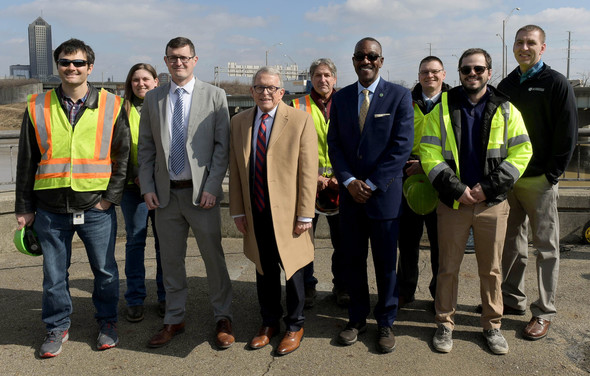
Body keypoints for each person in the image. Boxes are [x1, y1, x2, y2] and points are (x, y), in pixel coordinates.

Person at [15, 38, 130, 357]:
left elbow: (122, 157)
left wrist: (109, 199)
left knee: (105, 270)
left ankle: (107, 323)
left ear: (90, 68)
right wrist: (24, 207)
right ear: (58, 66)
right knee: (53, 275)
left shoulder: (112, 104)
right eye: (66, 62)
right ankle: (56, 327)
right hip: (50, 209)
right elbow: (27, 160)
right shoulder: (37, 105)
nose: (72, 68)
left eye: (79, 63)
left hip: (95, 207)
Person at [420, 48, 532, 355]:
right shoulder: (443, 105)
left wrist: (486, 187)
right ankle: (445, 324)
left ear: (489, 72)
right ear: (459, 73)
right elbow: (428, 152)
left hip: (492, 203)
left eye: (478, 69)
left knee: (492, 269)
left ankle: (492, 325)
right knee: (448, 267)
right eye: (466, 70)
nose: (472, 74)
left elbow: (522, 152)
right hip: (453, 202)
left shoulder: (506, 108)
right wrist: (456, 189)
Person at [138, 37, 234, 350]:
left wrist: (212, 187)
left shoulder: (215, 95)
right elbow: (147, 148)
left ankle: (223, 317)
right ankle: (174, 318)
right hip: (166, 197)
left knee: (213, 259)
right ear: (165, 62)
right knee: (171, 261)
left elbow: (222, 147)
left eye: (183, 57)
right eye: (172, 58)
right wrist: (147, 187)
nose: (178, 63)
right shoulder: (154, 98)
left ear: (194, 60)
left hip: (201, 195)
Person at [327, 37, 414, 354]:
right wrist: (349, 180)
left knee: (386, 264)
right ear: (353, 61)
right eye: (360, 56)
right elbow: (333, 144)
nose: (366, 61)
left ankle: (386, 322)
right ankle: (356, 319)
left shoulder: (400, 96)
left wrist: (373, 183)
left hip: (384, 198)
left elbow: (401, 147)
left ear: (381, 60)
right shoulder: (342, 98)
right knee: (353, 261)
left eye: (372, 56)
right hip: (351, 197)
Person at [229, 67, 318, 356]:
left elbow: (308, 169)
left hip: (290, 213)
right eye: (259, 87)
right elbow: (236, 170)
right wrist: (237, 211)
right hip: (256, 210)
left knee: (293, 271)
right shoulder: (240, 122)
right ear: (251, 91)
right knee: (263, 269)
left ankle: (295, 325)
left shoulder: (300, 120)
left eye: (271, 88)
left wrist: (306, 213)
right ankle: (269, 323)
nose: (265, 92)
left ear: (281, 92)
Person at [499, 25, 578, 340]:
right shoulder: (506, 84)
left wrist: (552, 174)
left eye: (530, 42)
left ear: (542, 48)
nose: (524, 47)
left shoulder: (556, 83)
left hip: (540, 180)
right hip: (510, 179)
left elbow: (568, 132)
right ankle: (510, 297)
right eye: (519, 42)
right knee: (510, 243)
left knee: (545, 247)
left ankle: (543, 312)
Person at [291, 58, 349, 308]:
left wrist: (342, 175)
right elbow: (288, 147)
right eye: (317, 75)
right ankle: (307, 286)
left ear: (334, 78)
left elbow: (356, 144)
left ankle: (343, 286)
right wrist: (311, 176)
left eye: (327, 75)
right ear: (310, 79)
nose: (322, 80)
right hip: (307, 185)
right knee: (304, 241)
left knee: (344, 241)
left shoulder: (348, 103)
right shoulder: (296, 105)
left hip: (341, 184)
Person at [397, 56, 451, 308]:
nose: (429, 76)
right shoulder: (405, 101)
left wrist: (429, 166)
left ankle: (438, 293)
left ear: (443, 74)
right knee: (407, 241)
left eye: (434, 72)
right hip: (409, 178)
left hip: (443, 179)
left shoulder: (456, 102)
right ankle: (405, 290)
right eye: (424, 72)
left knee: (440, 244)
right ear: (418, 75)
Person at [121, 63, 165, 322]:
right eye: (135, 80)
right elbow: (116, 147)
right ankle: (135, 298)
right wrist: (136, 175)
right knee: (135, 243)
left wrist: (149, 176)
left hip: (160, 186)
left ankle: (164, 296)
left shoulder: (164, 106)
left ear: (156, 81)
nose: (141, 84)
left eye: (146, 79)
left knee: (163, 245)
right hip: (131, 188)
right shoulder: (120, 109)